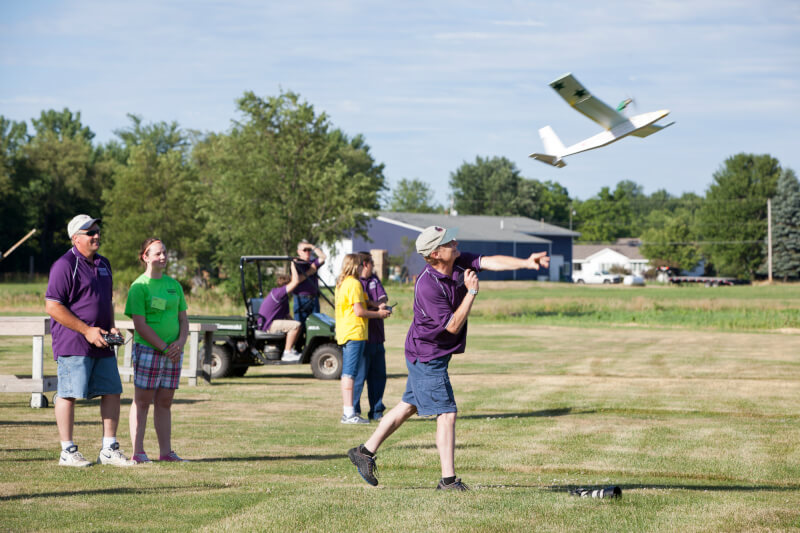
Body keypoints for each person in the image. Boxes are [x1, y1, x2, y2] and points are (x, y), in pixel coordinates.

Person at [348, 226, 549, 490]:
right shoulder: (427, 286)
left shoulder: (457, 260)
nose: (455, 242)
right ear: (435, 253)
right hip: (427, 354)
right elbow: (452, 326)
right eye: (448, 242)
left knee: (409, 405)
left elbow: (490, 261)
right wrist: (471, 292)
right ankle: (448, 481)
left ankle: (364, 452)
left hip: (434, 353)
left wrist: (526, 262)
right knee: (447, 412)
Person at [45, 214, 134, 467]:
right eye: (89, 232)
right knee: (68, 394)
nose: (96, 235)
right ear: (76, 238)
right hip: (74, 342)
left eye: (96, 230)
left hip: (103, 341)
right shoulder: (64, 265)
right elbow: (52, 306)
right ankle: (67, 451)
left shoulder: (104, 263)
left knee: (112, 391)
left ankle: (109, 449)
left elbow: (106, 301)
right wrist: (86, 331)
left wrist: (112, 327)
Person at [124, 238, 190, 464]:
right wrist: (163, 348)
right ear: (145, 256)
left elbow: (183, 319)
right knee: (142, 402)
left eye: (164, 253)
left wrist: (180, 343)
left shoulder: (174, 286)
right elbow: (140, 324)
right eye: (157, 253)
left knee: (164, 403)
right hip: (149, 351)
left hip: (173, 352)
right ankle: (138, 452)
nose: (163, 257)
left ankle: (166, 452)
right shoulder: (138, 287)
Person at [335, 253, 391, 424]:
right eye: (361, 265)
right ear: (357, 266)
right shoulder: (354, 284)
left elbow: (364, 303)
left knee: (351, 373)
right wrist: (379, 313)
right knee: (351, 374)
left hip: (350, 333)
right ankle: (350, 413)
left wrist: (377, 306)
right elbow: (359, 311)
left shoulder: (344, 283)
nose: (364, 267)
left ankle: (353, 412)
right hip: (355, 333)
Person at [352, 252, 389, 421]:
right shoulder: (354, 282)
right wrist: (375, 307)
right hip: (362, 337)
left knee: (378, 376)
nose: (373, 265)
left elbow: (383, 298)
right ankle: (353, 411)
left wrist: (378, 305)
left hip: (377, 336)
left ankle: (376, 411)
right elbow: (360, 306)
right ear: (365, 263)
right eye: (372, 262)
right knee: (359, 376)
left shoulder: (374, 280)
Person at [257, 261, 306, 362]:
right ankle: (287, 353)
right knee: (295, 326)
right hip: (268, 325)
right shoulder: (279, 293)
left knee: (297, 325)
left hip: (270, 323)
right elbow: (295, 281)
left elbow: (287, 315)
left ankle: (290, 350)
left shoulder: (283, 297)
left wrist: (299, 326)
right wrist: (293, 264)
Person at [292, 240, 326, 325]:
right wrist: (309, 272)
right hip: (300, 298)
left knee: (315, 325)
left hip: (314, 298)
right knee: (300, 326)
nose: (307, 252)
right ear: (298, 252)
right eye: (305, 250)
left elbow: (323, 257)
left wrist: (311, 246)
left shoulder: (313, 262)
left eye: (309, 250)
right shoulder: (295, 263)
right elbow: (296, 280)